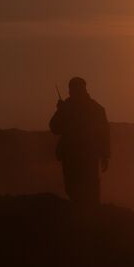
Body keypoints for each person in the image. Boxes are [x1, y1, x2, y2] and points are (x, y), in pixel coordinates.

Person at [49, 77, 110, 206]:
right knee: (85, 191)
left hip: (77, 157)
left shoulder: (69, 108)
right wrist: (105, 156)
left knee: (80, 191)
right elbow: (104, 134)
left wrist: (61, 110)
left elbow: (54, 127)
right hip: (85, 157)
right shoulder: (96, 108)